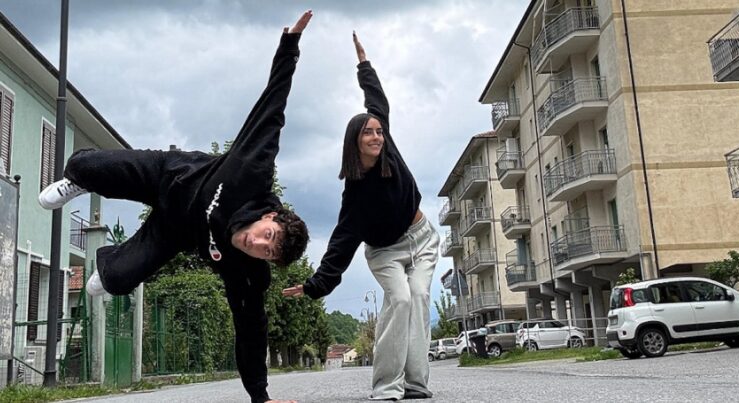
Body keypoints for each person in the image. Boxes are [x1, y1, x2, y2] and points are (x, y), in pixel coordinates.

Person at [38, 10, 314, 403]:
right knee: (85, 165)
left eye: (267, 252)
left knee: (113, 281)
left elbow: (251, 328)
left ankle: (109, 261)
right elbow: (272, 112)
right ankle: (79, 181)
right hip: (170, 174)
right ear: (268, 217)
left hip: (174, 232)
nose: (257, 245)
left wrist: (261, 397)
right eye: (266, 236)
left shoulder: (249, 272)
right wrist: (289, 47)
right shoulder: (252, 172)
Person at [282, 32, 439, 401]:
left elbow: (376, 99)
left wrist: (364, 63)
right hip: (384, 252)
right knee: (398, 299)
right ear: (354, 140)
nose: (377, 136)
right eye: (368, 132)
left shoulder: (390, 149)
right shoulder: (354, 195)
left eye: (379, 131)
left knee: (417, 297)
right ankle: (387, 387)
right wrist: (314, 285)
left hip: (422, 237)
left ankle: (416, 384)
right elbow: (341, 244)